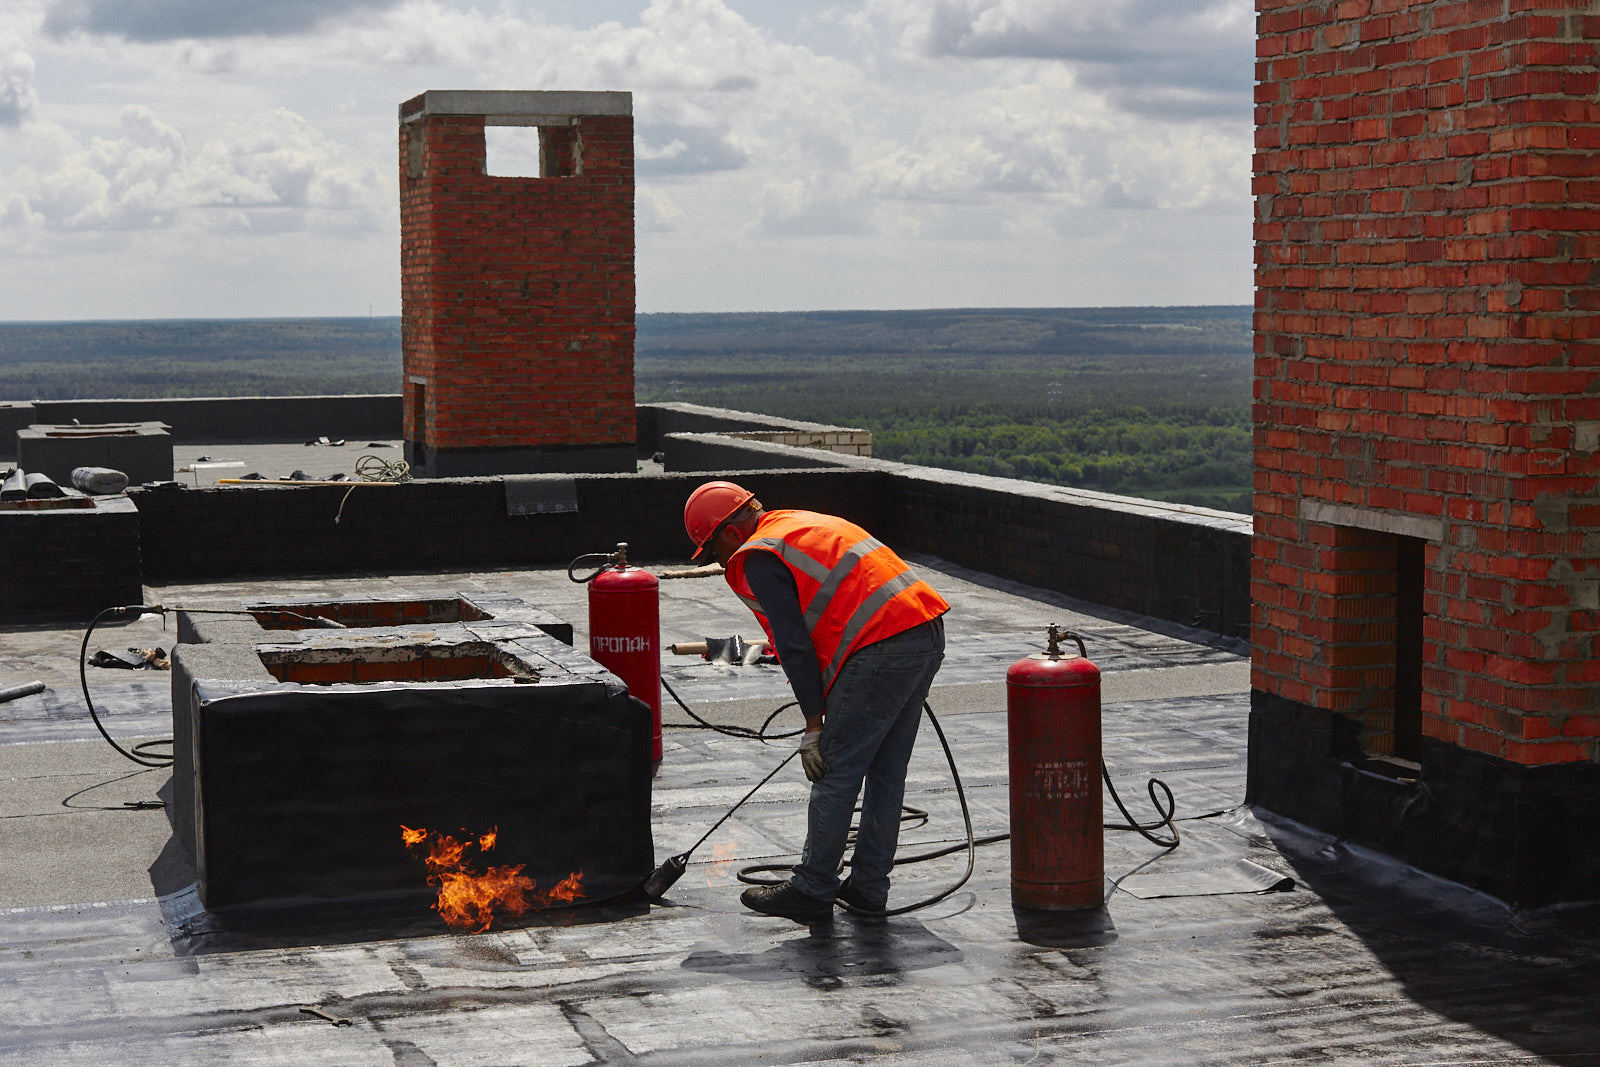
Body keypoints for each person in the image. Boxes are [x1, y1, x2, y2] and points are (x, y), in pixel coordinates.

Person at [683, 480, 949, 923]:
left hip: (881, 644)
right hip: (923, 629)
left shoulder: (759, 555)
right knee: (885, 771)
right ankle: (867, 889)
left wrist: (813, 726)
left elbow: (794, 645)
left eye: (713, 551)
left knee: (834, 768)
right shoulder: (796, 524)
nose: (719, 562)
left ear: (729, 533)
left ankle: (812, 886)